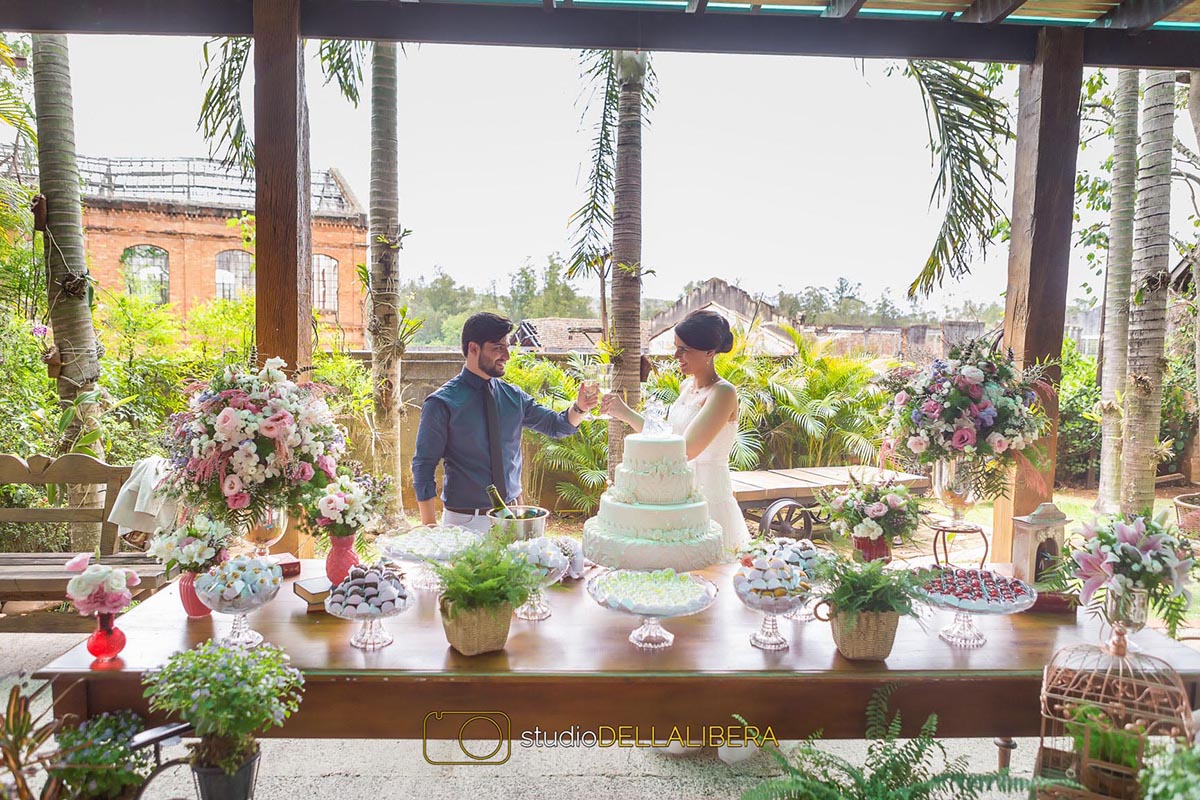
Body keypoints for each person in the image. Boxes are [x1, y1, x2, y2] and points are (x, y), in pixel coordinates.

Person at [413, 312, 600, 534]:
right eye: (497, 348)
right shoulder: (442, 402)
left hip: (514, 516)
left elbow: (556, 426)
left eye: (507, 347)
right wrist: (429, 527)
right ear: (474, 348)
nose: (507, 356)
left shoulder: (514, 397)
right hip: (465, 522)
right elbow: (423, 466)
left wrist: (580, 408)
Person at [602, 309, 750, 557]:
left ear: (709, 353)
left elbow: (686, 449)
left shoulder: (723, 393)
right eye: (676, 347)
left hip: (708, 498)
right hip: (678, 494)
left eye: (684, 349)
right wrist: (624, 412)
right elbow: (667, 436)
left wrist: (627, 413)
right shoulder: (685, 387)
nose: (676, 355)